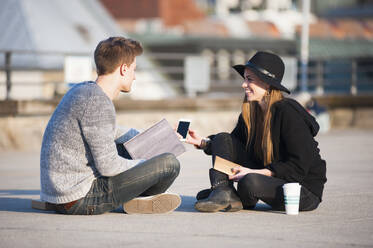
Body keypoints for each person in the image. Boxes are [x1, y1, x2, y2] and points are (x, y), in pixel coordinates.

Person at [40, 37, 181, 215]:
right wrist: (148, 164)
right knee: (169, 163)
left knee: (137, 149)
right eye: (133, 70)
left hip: (60, 193)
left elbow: (110, 132)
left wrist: (155, 138)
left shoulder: (84, 90)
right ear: (124, 69)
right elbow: (109, 167)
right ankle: (139, 199)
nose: (134, 76)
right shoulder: (98, 103)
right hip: (78, 198)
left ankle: (139, 199)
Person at [186, 51, 327, 213]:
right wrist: (203, 142)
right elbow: (231, 145)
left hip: (301, 189)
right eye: (244, 79)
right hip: (269, 179)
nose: (243, 85)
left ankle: (235, 196)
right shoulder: (251, 111)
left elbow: (298, 167)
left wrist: (253, 172)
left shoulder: (288, 112)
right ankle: (222, 191)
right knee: (222, 138)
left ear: (267, 84)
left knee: (250, 182)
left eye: (249, 79)